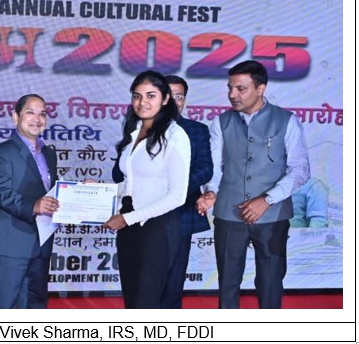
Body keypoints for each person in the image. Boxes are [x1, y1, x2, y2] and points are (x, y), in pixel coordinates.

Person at [196, 60, 310, 309]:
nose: (232, 94)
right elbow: (215, 167)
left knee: (270, 283)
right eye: (230, 88)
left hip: (273, 215)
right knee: (227, 282)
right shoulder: (221, 122)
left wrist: (267, 199)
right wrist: (211, 192)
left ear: (261, 89)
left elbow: (300, 170)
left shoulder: (287, 120)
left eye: (241, 89)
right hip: (228, 214)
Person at [105, 70, 191, 309]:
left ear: (165, 99)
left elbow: (177, 196)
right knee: (132, 301)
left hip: (157, 230)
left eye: (151, 95)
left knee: (146, 304)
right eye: (137, 96)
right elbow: (132, 184)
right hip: (129, 227)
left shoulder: (175, 136)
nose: (142, 102)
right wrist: (103, 191)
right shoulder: (134, 131)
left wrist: (127, 219)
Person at [0, 94, 59, 309]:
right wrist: (33, 205)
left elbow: (52, 192)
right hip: (10, 246)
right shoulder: (1, 151)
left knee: (35, 307)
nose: (37, 119)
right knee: (4, 308)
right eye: (30, 112)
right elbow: (0, 192)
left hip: (41, 245)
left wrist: (83, 190)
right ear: (15, 117)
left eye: (42, 114)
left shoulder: (49, 154)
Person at [161, 75, 213, 308]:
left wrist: (174, 189)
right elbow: (121, 173)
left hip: (180, 213)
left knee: (173, 282)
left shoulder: (197, 130)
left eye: (179, 96)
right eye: (169, 95)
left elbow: (205, 169)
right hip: (142, 215)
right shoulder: (139, 128)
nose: (174, 101)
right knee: (144, 282)